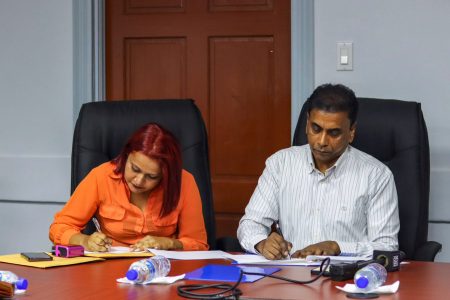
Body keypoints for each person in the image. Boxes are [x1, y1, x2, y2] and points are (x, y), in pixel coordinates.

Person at [237, 83, 400, 259]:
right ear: (307, 124)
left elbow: (387, 247)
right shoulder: (281, 164)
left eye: (334, 133)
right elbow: (250, 224)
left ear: (351, 132)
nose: (322, 141)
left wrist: (337, 247)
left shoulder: (376, 175)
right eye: (316, 129)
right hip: (290, 275)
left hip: (347, 279)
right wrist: (262, 243)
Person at [49, 123, 208, 252]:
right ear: (126, 156)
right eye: (135, 169)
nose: (139, 181)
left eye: (151, 177)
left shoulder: (184, 182)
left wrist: (170, 243)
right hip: (109, 268)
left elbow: (198, 243)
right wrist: (84, 240)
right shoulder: (101, 176)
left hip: (164, 268)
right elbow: (59, 227)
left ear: (166, 175)